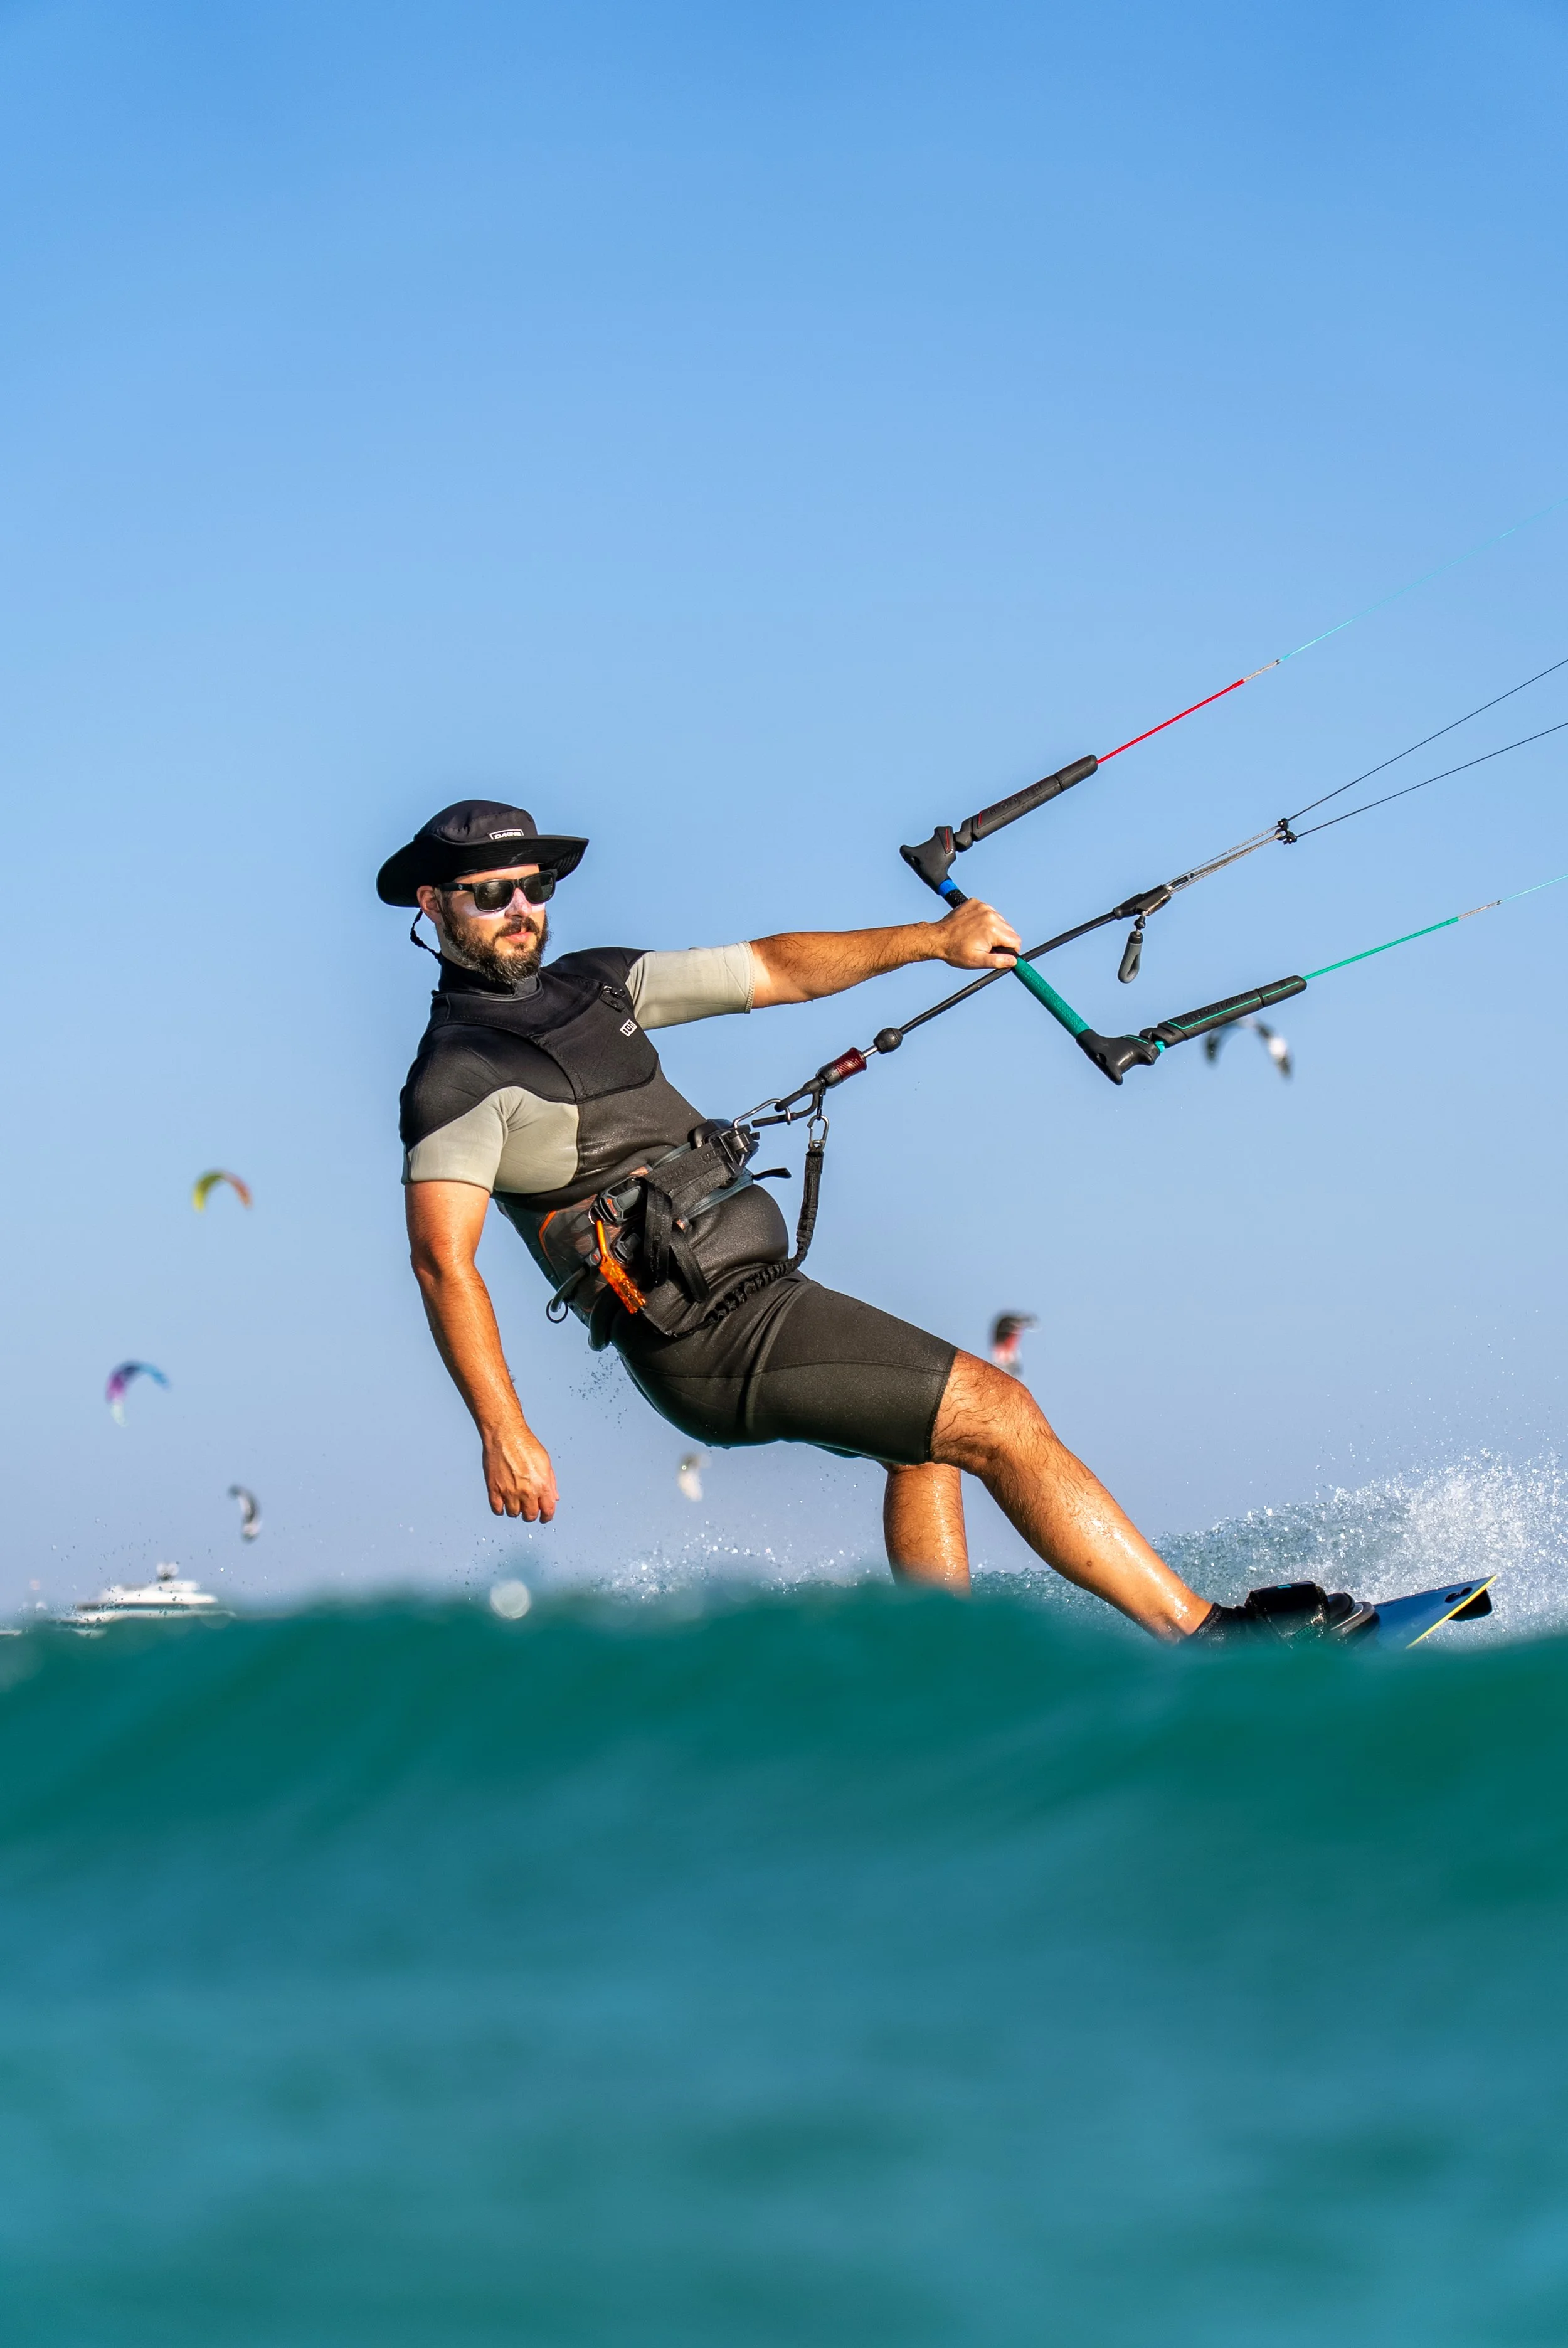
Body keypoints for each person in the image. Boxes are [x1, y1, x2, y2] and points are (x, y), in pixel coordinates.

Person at [382, 799, 1372, 1645]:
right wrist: (503, 1429)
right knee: (998, 1414)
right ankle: (1205, 1637)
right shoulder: (455, 1075)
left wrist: (931, 943)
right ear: (434, 906)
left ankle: (947, 1678)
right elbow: (444, 1265)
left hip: (761, 1293)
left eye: (534, 888)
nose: (522, 911)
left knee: (924, 1442)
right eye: (490, 894)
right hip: (704, 1337)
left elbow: (771, 968)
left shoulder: (598, 983)